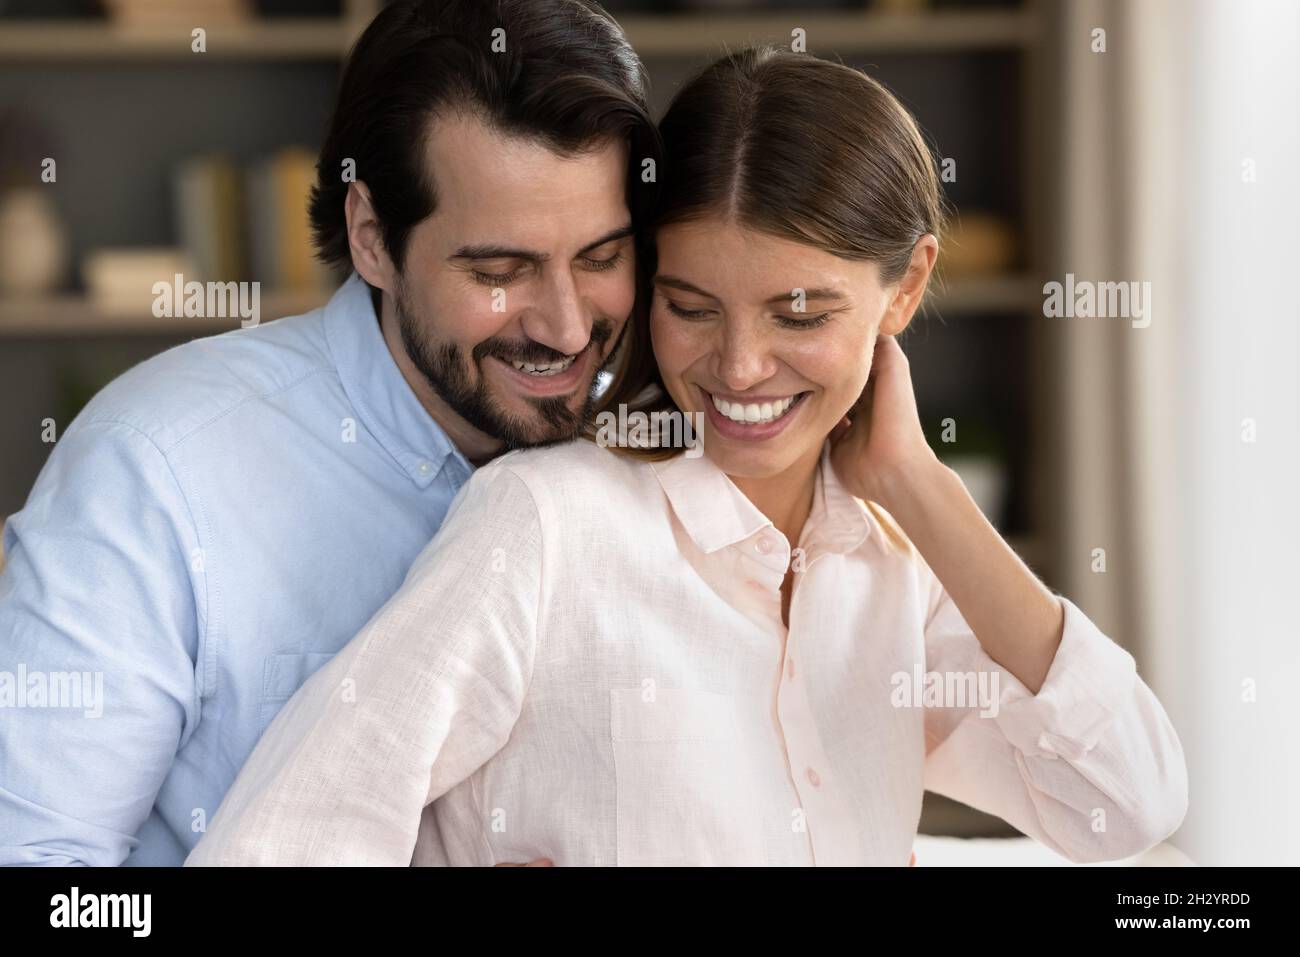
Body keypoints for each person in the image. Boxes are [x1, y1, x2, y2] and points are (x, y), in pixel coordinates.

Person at [186, 46, 1188, 867]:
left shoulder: (894, 564)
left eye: (799, 312)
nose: (741, 368)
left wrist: (918, 487)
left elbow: (1125, 804)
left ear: (904, 285)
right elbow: (279, 845)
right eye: (689, 307)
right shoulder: (547, 527)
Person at [0, 0, 657, 866]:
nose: (569, 330)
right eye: (500, 271)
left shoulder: (657, 444)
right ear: (373, 237)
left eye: (602, 257)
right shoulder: (155, 469)